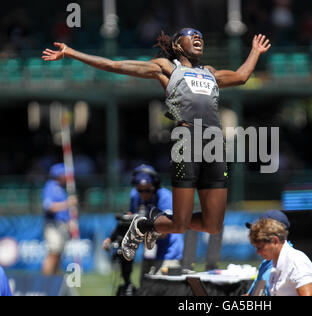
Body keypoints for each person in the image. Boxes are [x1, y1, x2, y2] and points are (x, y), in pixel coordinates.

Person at [42, 28, 271, 261]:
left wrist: (255, 51)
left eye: (201, 36)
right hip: (187, 141)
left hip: (214, 144)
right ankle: (145, 223)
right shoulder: (168, 68)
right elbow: (114, 65)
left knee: (213, 226)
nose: (198, 38)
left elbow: (241, 77)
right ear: (178, 45)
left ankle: (150, 222)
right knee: (180, 224)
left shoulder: (209, 72)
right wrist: (71, 52)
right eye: (191, 35)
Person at [102, 164, 184, 293]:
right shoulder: (135, 196)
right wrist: (112, 237)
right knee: (144, 290)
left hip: (169, 252)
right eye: (140, 190)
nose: (143, 194)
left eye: (147, 190)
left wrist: (140, 231)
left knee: (162, 290)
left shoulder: (165, 197)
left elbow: (165, 231)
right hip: (149, 252)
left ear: (155, 186)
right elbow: (130, 220)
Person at [248, 216, 312, 296]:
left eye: (260, 247)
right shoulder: (273, 262)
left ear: (275, 241)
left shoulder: (295, 261)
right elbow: (256, 294)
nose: (258, 252)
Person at [244, 210, 291, 296]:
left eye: (260, 231)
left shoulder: (294, 261)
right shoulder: (265, 264)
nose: (255, 235)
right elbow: (256, 294)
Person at [41, 163, 77, 275]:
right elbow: (49, 206)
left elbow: (65, 211)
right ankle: (46, 282)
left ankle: (56, 282)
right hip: (53, 225)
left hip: (61, 225)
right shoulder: (51, 186)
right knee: (53, 254)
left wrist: (69, 221)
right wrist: (67, 203)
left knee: (59, 255)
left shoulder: (61, 189)